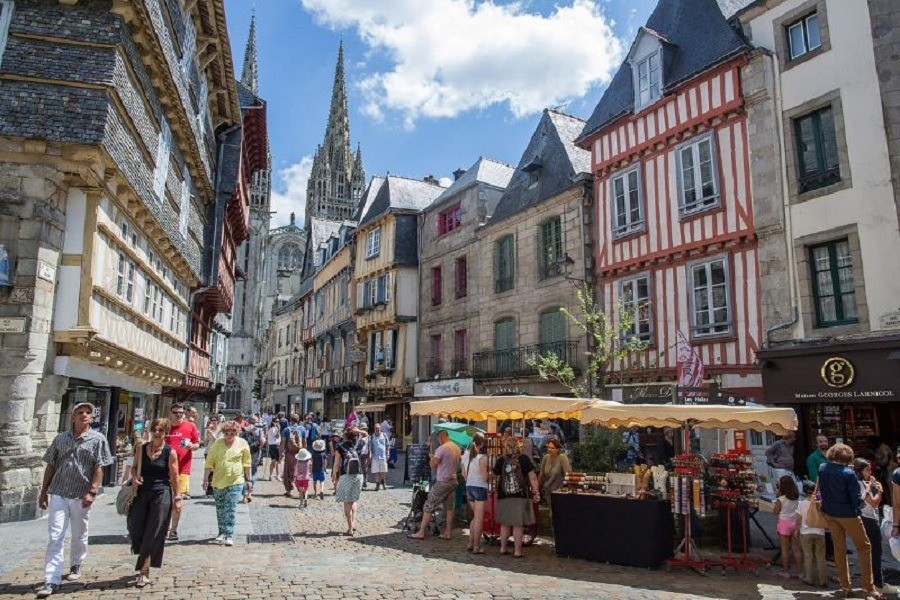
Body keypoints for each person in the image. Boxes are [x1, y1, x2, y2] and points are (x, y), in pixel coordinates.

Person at [36, 402, 114, 599]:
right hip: (59, 492)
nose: (84, 415)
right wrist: (43, 491)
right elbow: (51, 466)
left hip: (81, 494)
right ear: (73, 416)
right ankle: (51, 579)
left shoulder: (97, 439)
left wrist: (93, 492)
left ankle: (76, 563)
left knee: (79, 533)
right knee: (55, 535)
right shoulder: (61, 439)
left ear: (92, 417)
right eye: (80, 412)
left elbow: (99, 467)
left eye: (88, 413)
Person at [818, 443, 879, 598]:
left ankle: (845, 586)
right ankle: (868, 586)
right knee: (864, 547)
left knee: (839, 549)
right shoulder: (848, 473)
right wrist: (865, 492)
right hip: (848, 514)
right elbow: (856, 499)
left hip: (831, 512)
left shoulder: (823, 468)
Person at [126, 418, 181, 588]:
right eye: (154, 429)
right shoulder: (142, 449)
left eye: (161, 430)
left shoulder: (169, 452)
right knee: (135, 529)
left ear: (166, 432)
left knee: (154, 531)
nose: (157, 433)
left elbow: (174, 476)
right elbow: (134, 467)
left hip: (161, 492)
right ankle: (143, 557)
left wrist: (177, 497)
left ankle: (144, 572)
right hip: (142, 493)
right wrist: (134, 478)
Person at [203, 421, 252, 546]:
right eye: (226, 432)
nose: (229, 435)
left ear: (236, 432)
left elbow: (247, 463)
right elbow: (209, 462)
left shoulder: (242, 443)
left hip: (235, 481)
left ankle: (229, 535)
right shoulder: (217, 444)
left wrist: (249, 480)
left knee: (230, 508)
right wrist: (205, 479)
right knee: (220, 509)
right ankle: (221, 532)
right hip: (218, 481)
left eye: (232, 432)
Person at [408, 429, 461, 541]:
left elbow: (433, 464)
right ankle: (448, 532)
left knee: (428, 504)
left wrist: (431, 452)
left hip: (443, 481)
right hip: (453, 480)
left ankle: (421, 532)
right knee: (449, 507)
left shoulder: (441, 448)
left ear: (440, 437)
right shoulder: (456, 447)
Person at [493, 436, 540, 558]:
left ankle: (503, 548)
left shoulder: (501, 460)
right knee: (518, 524)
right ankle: (517, 551)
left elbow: (494, 475)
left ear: (506, 447)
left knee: (505, 524)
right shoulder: (524, 459)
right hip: (520, 496)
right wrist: (536, 492)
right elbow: (533, 477)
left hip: (504, 496)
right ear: (518, 446)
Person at [164, 403, 200, 541]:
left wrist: (193, 446)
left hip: (183, 469)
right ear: (170, 412)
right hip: (165, 469)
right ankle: (165, 528)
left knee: (178, 501)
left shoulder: (190, 426)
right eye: (176, 412)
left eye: (181, 412)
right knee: (166, 501)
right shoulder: (165, 426)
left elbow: (197, 443)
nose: (179, 415)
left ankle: (173, 530)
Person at [854, 458, 885, 591]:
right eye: (867, 469)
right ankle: (877, 583)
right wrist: (880, 491)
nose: (870, 471)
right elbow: (873, 503)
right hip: (868, 519)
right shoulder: (861, 484)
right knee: (875, 551)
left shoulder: (864, 483)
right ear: (860, 471)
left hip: (868, 518)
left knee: (873, 551)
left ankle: (874, 581)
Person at [461, 432, 488, 554]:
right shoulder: (482, 458)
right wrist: (491, 476)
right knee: (478, 518)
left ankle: (470, 543)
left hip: (469, 487)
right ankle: (477, 546)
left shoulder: (465, 455)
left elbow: (463, 474)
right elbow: (484, 478)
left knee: (475, 517)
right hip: (479, 487)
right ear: (481, 444)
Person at [333, 429, 364, 536]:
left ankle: (350, 529)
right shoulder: (359, 444)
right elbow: (366, 434)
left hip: (346, 475)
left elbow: (336, 464)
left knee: (347, 502)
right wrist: (358, 430)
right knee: (353, 501)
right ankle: (353, 524)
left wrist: (334, 475)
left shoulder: (340, 446)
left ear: (345, 436)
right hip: (358, 475)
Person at [797, 481, 827, 588]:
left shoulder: (801, 503)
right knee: (821, 557)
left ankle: (809, 578)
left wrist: (797, 530)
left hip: (806, 532)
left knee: (808, 556)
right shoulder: (821, 503)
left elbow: (799, 519)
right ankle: (823, 580)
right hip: (820, 532)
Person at [773, 475, 803, 579]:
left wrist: (777, 498)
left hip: (784, 523)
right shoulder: (796, 498)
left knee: (785, 549)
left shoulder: (781, 499)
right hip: (794, 523)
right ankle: (800, 572)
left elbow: (775, 512)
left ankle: (786, 572)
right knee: (796, 548)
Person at [240, 416, 264, 502]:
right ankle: (250, 493)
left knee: (243, 473)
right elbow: (262, 441)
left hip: (244, 453)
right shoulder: (259, 430)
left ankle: (244, 495)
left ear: (248, 421)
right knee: (253, 473)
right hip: (255, 454)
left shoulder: (243, 429)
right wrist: (260, 447)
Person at [281, 414, 306, 497]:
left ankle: (289, 490)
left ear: (290, 420)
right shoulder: (302, 429)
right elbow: (304, 442)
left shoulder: (286, 430)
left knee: (288, 472)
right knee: (299, 471)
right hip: (299, 453)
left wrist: (281, 453)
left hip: (289, 453)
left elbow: (283, 443)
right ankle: (300, 490)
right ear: (298, 420)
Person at [369, 422, 389, 491]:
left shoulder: (384, 435)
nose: (377, 429)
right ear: (374, 429)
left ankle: (383, 481)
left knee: (384, 470)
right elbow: (370, 446)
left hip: (383, 456)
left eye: (378, 428)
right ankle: (377, 484)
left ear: (380, 429)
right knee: (376, 471)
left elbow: (387, 445)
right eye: (376, 428)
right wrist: (370, 455)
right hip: (375, 456)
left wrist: (388, 453)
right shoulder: (372, 436)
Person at [358, 423, 372, 489]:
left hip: (366, 454)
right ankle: (359, 481)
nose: (364, 430)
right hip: (359, 454)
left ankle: (365, 481)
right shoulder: (358, 437)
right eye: (363, 429)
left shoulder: (368, 437)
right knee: (358, 468)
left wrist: (370, 454)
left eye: (365, 429)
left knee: (365, 469)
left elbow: (370, 446)